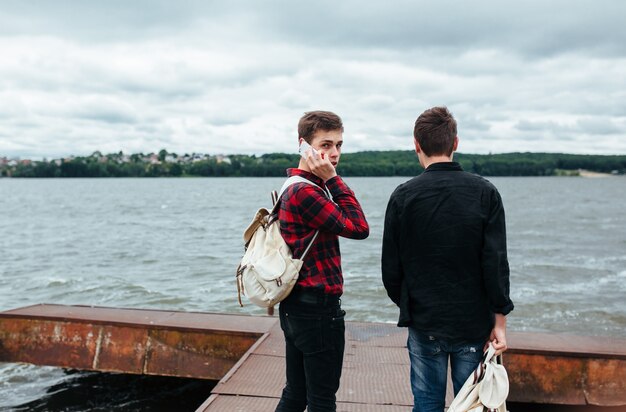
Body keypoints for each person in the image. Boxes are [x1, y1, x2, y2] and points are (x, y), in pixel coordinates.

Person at [381, 106, 514, 412]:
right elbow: (495, 264)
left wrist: (412, 306)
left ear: (416, 145)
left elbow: (391, 271)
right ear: (456, 143)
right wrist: (500, 322)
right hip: (473, 324)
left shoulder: (403, 197)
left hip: (425, 322)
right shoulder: (485, 193)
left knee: (427, 404)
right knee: (473, 406)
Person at [275, 110, 370, 412]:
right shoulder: (306, 192)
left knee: (296, 394)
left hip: (296, 306)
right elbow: (359, 227)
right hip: (316, 311)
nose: (334, 153)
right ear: (303, 145)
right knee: (321, 401)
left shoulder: (293, 185)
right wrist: (334, 179)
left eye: (339, 145)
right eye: (325, 145)